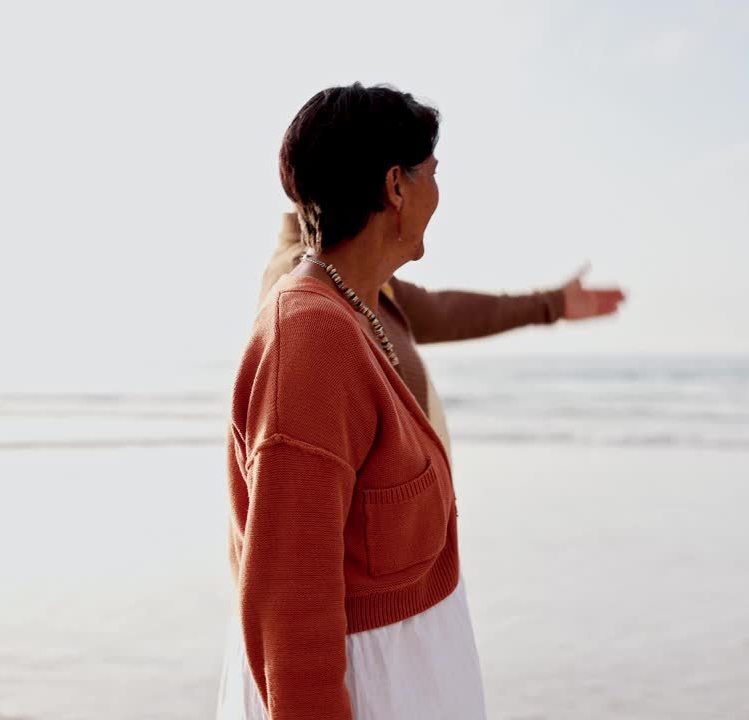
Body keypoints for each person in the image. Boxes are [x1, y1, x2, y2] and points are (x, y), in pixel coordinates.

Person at [218, 83, 622, 720]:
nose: (440, 191)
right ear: (395, 188)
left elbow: (441, 310)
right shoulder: (309, 334)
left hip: (398, 668)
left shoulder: (359, 294)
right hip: (369, 681)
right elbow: (289, 593)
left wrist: (553, 306)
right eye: (433, 173)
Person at [259, 214, 624, 455]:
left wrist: (553, 304)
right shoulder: (310, 283)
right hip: (386, 569)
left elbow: (440, 311)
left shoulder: (354, 276)